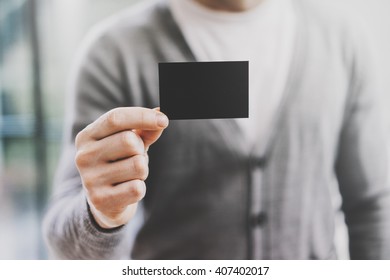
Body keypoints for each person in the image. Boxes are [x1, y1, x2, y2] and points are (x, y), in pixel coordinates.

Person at [43, 0, 390, 259]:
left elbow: (373, 208)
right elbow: (63, 239)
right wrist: (101, 213)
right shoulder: (115, 52)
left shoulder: (342, 41)